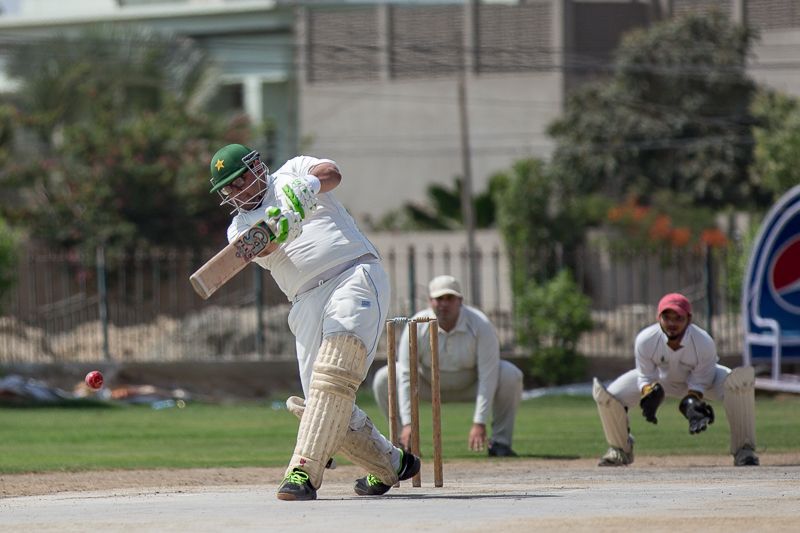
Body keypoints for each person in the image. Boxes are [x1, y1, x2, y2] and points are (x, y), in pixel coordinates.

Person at [207, 143, 420, 500]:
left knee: (335, 370)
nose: (237, 190)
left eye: (240, 179)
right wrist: (278, 226)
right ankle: (393, 463)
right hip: (305, 301)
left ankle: (303, 472)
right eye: (229, 187)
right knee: (319, 403)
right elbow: (262, 248)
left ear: (256, 167)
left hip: (353, 273)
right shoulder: (239, 227)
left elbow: (332, 173)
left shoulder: (292, 170)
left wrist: (308, 187)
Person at [593, 292, 759, 467]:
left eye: (678, 318)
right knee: (608, 396)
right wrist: (648, 391)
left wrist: (692, 401)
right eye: (667, 317)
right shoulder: (645, 340)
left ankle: (744, 450)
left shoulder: (703, 342)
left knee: (739, 385)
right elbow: (645, 376)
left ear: (689, 319)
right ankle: (620, 450)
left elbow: (701, 380)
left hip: (704, 382)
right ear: (659, 317)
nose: (672, 324)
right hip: (660, 379)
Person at [372, 275, 524, 457]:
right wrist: (408, 423)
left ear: (460, 301)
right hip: (428, 385)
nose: (444, 304)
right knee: (385, 377)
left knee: (509, 374)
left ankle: (500, 443)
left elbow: (488, 375)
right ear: (430, 301)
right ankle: (404, 444)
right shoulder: (417, 325)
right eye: (439, 299)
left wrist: (479, 422)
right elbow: (406, 375)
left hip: (470, 385)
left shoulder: (480, 324)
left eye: (450, 298)